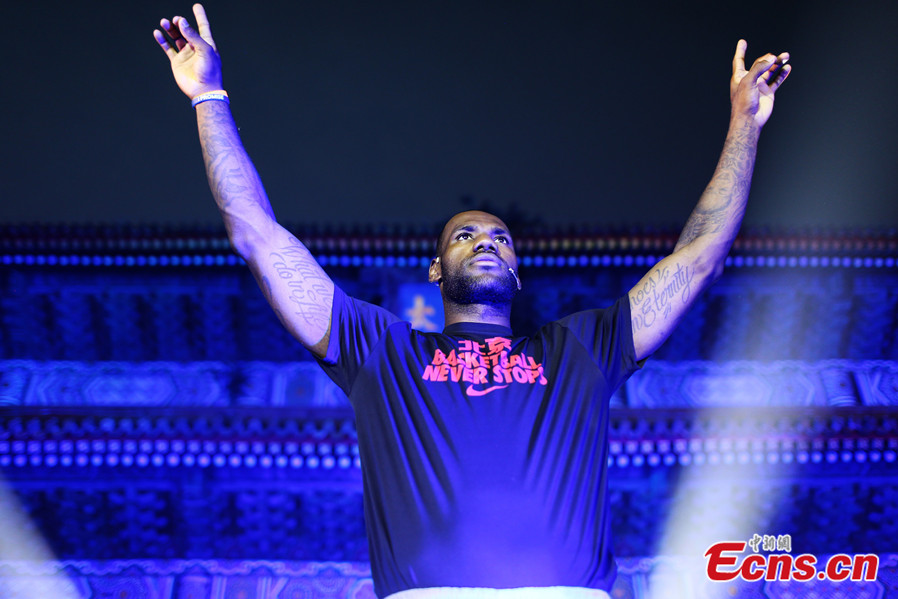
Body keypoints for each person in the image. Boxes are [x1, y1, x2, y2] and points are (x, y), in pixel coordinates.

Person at [153, 5, 790, 598]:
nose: (484, 243)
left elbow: (700, 255)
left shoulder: (582, 349)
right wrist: (208, 96)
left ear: (517, 271)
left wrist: (744, 125)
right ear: (435, 269)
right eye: (465, 235)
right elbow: (256, 234)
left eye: (499, 238)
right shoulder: (381, 351)